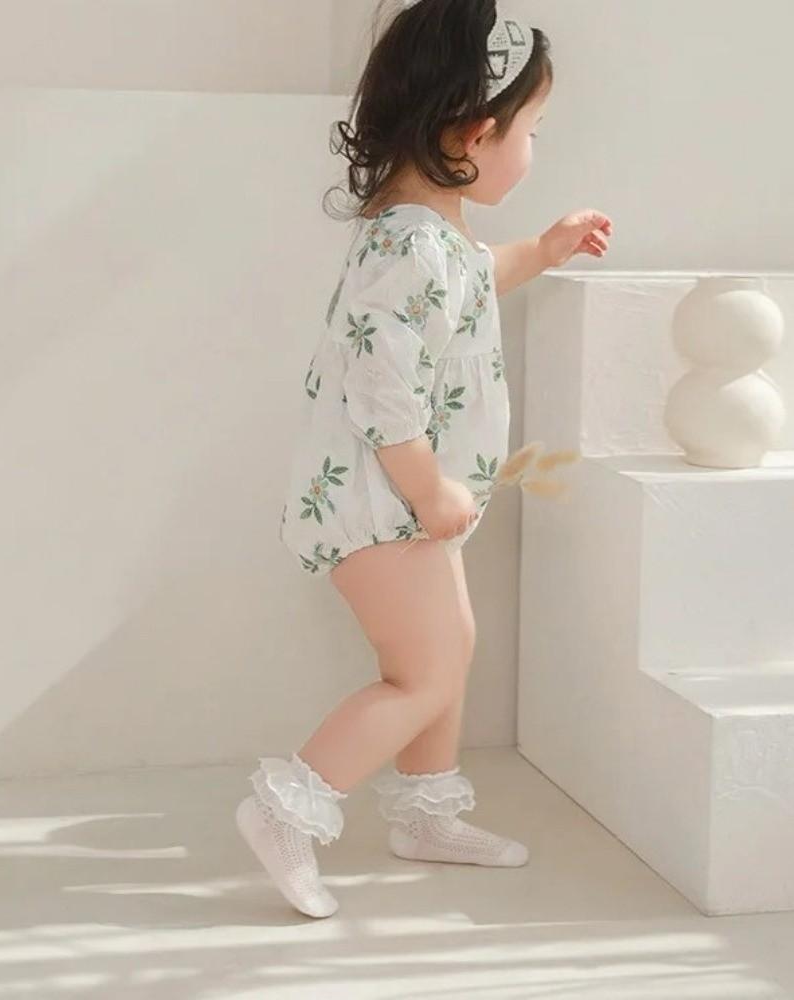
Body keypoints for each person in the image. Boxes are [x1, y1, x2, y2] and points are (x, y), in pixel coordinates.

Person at [236, 0, 612, 918]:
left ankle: (426, 815)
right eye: (532, 131)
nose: (534, 148)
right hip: (383, 502)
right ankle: (287, 810)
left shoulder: (433, 238)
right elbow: (381, 390)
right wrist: (430, 488)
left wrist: (545, 250)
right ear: (475, 133)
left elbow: (478, 280)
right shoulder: (410, 246)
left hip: (403, 502)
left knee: (451, 651)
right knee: (424, 673)